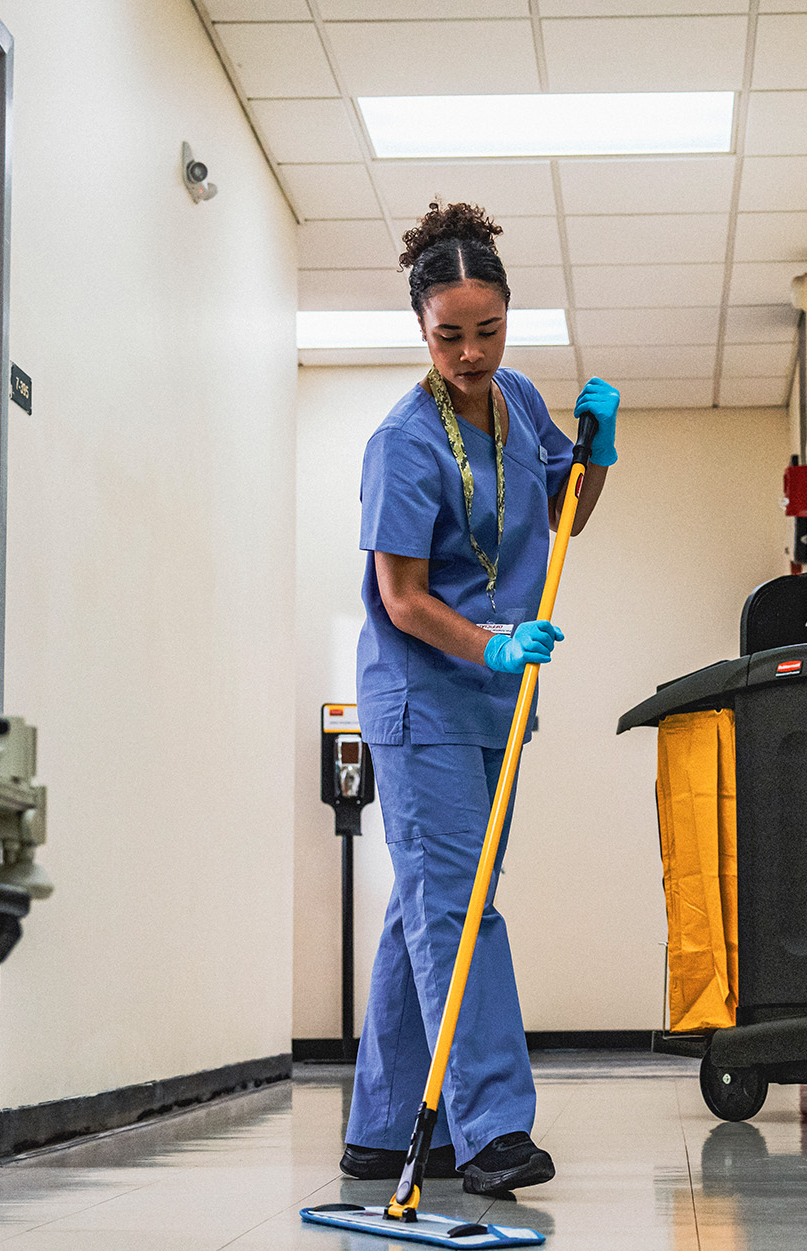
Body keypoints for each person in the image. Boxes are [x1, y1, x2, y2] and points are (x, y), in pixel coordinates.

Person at [343, 201, 619, 1194]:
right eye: (450, 336)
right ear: (422, 330)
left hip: (494, 703)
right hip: (421, 701)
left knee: (433, 907)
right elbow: (402, 598)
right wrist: (495, 647)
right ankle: (493, 1127)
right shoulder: (402, 443)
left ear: (510, 317)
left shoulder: (522, 404)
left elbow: (561, 513)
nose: (471, 353)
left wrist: (596, 456)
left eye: (488, 330)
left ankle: (379, 1126)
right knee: (460, 914)